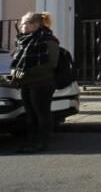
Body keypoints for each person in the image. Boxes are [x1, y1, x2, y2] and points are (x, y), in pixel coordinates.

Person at [10, 12, 60, 153]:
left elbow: (51, 64)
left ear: (35, 25)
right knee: (30, 113)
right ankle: (31, 141)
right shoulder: (22, 40)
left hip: (42, 83)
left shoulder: (48, 40)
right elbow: (19, 62)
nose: (21, 26)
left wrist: (26, 72)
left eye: (24, 23)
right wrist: (15, 72)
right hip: (26, 82)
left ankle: (42, 141)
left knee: (41, 113)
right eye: (21, 23)